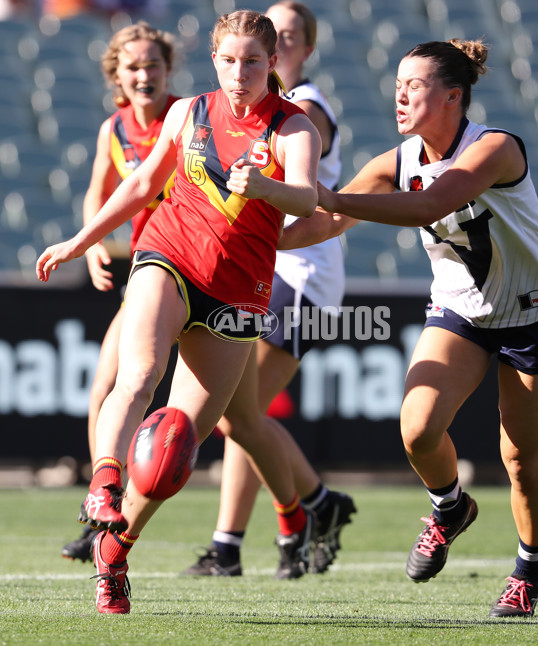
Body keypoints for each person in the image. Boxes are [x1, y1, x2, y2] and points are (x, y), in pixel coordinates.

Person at [280, 39, 538, 618]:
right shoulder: (398, 159)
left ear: (453, 96)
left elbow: (425, 206)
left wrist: (327, 194)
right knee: (417, 429)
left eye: (414, 84)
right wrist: (257, 237)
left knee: (521, 460)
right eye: (398, 81)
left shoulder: (495, 148)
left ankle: (529, 569)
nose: (399, 93)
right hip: (463, 310)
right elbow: (326, 222)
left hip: (532, 312)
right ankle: (450, 509)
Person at [37, 9, 322, 614]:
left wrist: (265, 187)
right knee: (136, 376)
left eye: (252, 61)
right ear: (213, 60)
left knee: (175, 449)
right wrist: (81, 240)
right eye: (227, 60)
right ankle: (103, 484)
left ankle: (113, 554)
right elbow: (141, 186)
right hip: (168, 255)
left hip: (240, 292)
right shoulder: (187, 111)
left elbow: (305, 195)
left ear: (272, 63)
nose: (238, 72)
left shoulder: (294, 128)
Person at [180, 0, 355, 581]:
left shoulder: (303, 110)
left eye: (285, 36)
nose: (270, 47)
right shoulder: (243, 107)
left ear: (297, 51)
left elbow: (304, 175)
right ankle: (313, 507)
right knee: (238, 413)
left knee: (239, 413)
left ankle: (236, 541)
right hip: (263, 268)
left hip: (301, 272)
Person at [60, 21, 180, 563]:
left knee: (241, 420)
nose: (144, 74)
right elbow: (97, 193)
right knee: (106, 384)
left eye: (153, 64)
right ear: (117, 75)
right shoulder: (115, 128)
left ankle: (307, 506)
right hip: (147, 273)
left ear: (167, 70)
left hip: (193, 271)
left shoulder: (187, 118)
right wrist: (92, 248)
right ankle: (100, 506)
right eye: (133, 66)